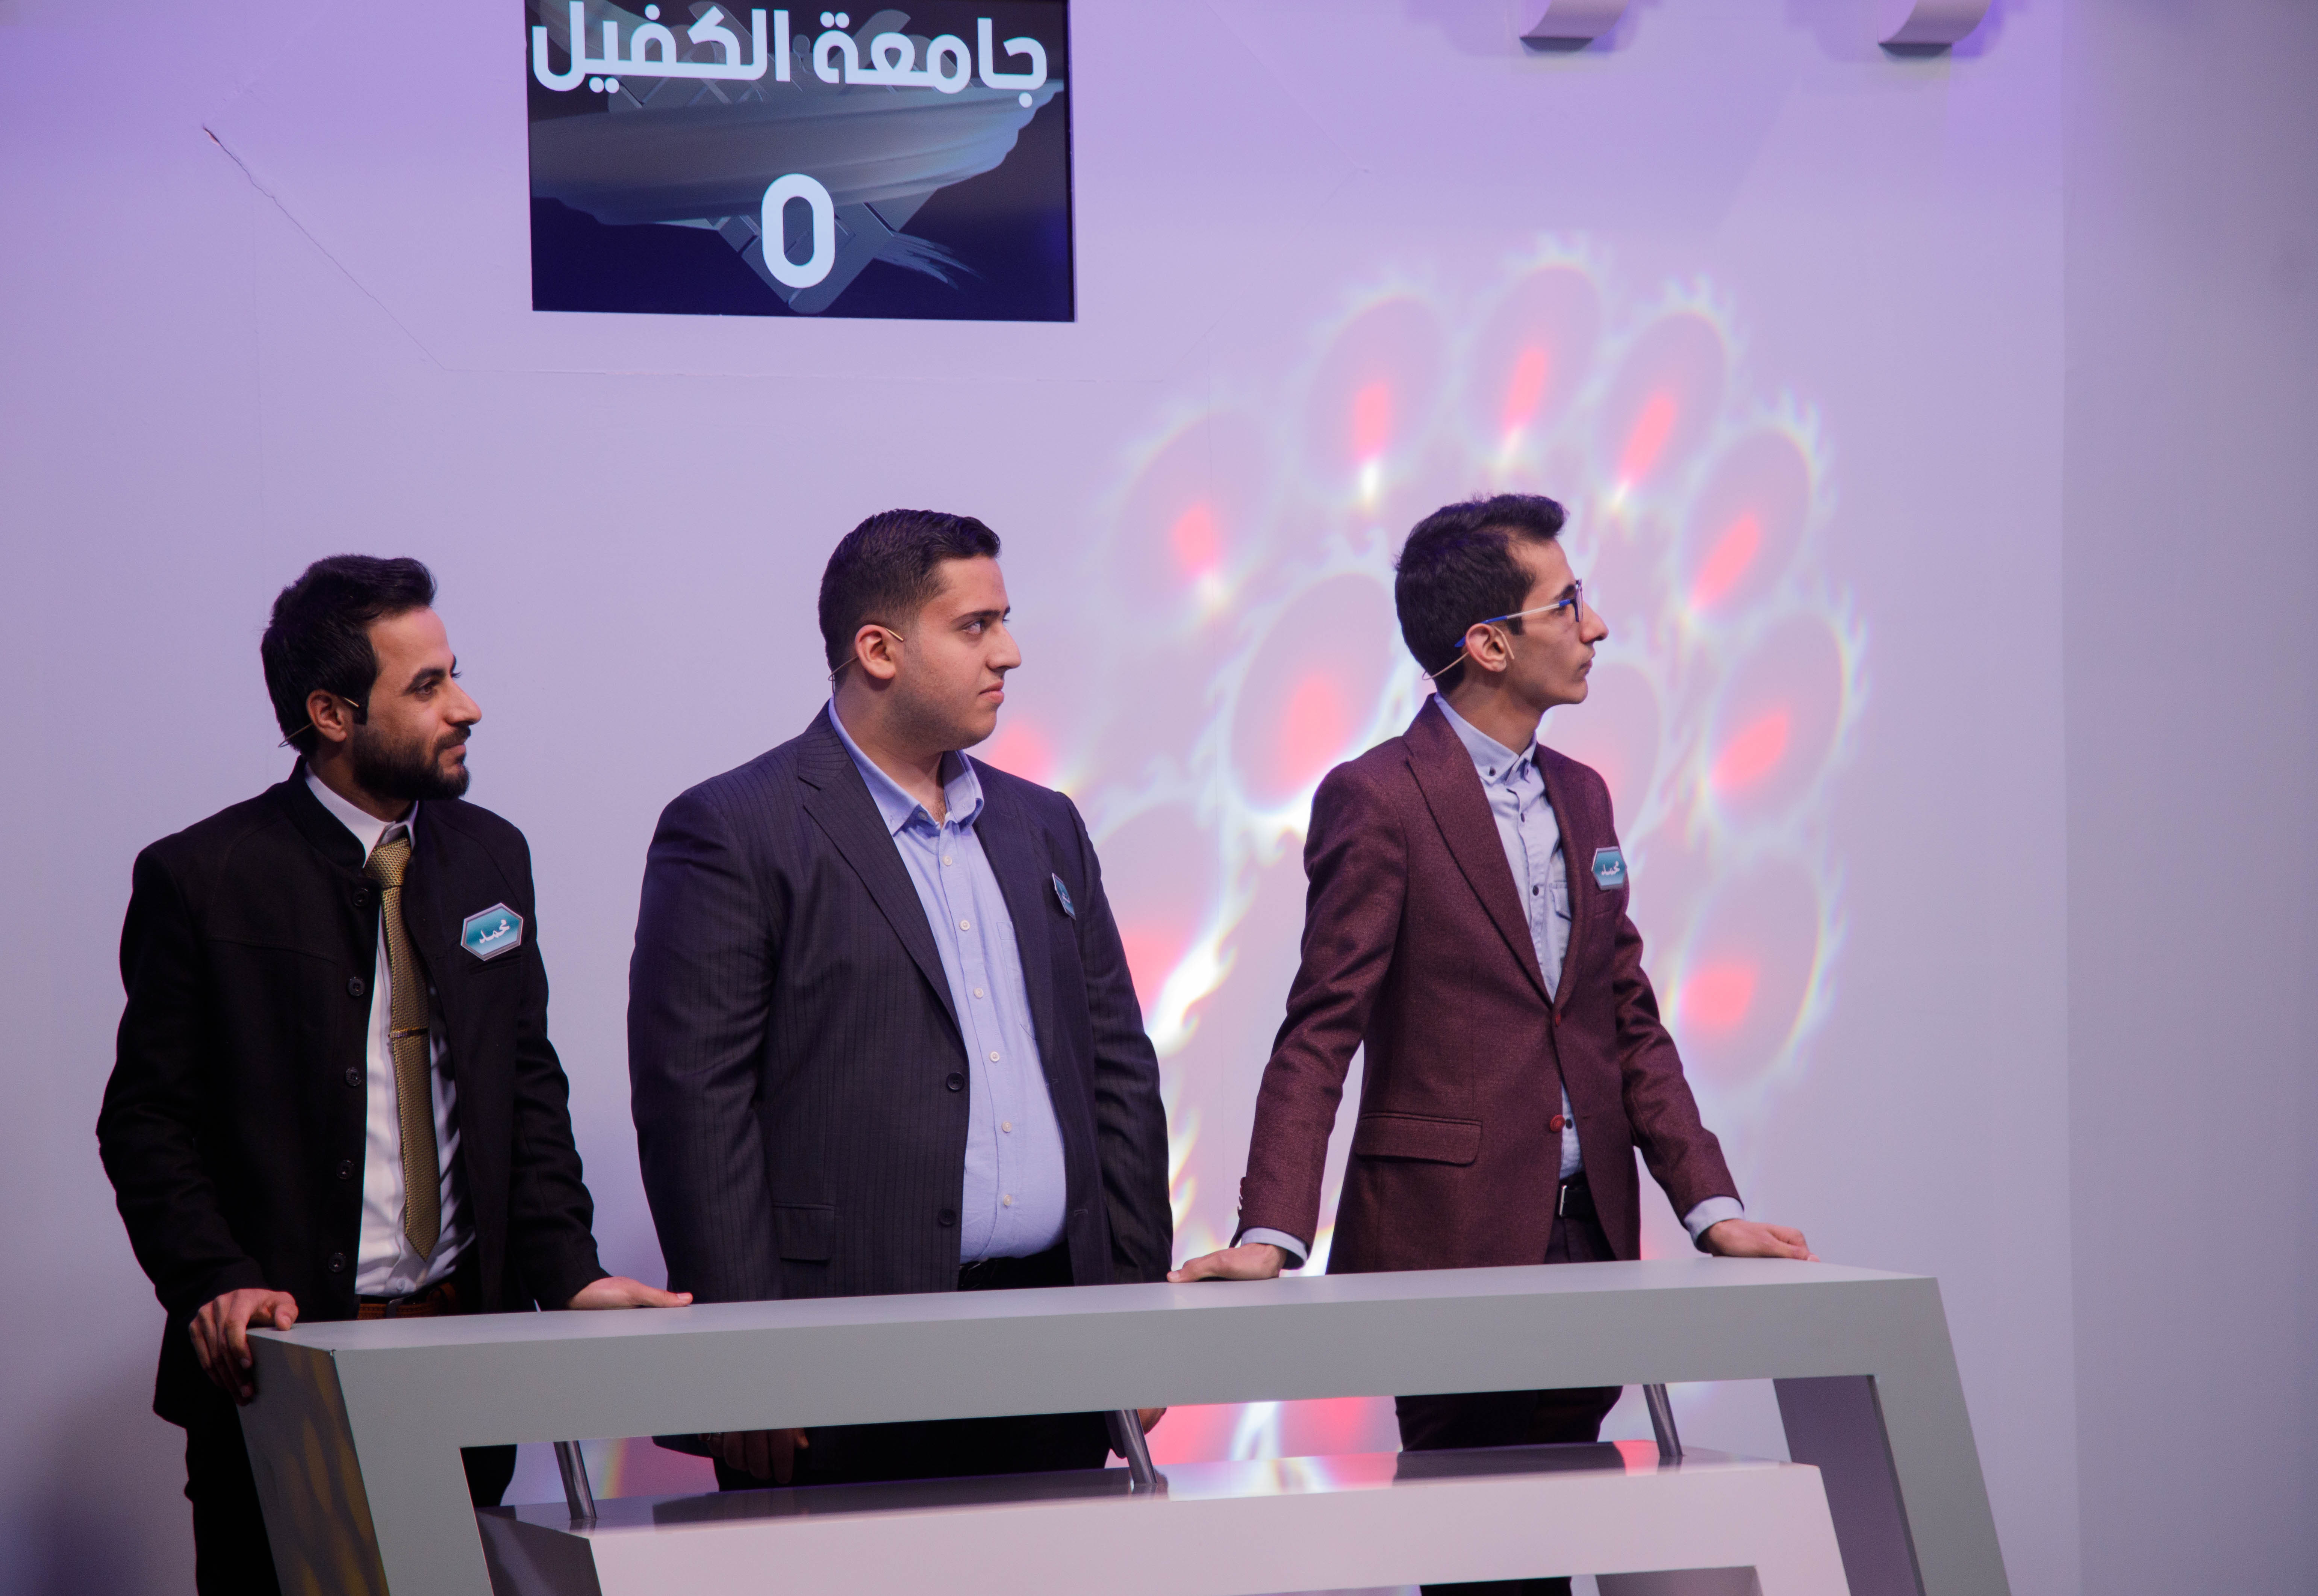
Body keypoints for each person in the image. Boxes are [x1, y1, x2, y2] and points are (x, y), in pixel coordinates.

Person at [1172, 494, 1815, 1596]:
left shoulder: (1584, 795)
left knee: (1572, 1529)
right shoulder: (1378, 796)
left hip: (1588, 1233)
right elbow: (1321, 1026)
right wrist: (1270, 1231)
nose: (1595, 626)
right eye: (1567, 604)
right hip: (1446, 1240)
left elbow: (1625, 1016)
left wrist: (1710, 1207)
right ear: (1488, 644)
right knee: (1478, 1555)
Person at [95, 556, 687, 1595]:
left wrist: (571, 1272)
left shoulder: (491, 856)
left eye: (455, 674)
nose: (466, 707)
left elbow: (523, 1086)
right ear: (331, 714)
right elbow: (146, 1124)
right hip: (282, 1374)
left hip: (465, 1359)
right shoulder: (203, 878)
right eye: (427, 687)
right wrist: (215, 1280)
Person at [628, 509, 1172, 1491]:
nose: (1008, 653)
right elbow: (695, 1107)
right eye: (975, 627)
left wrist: (1136, 1312)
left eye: (1004, 621)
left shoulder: (1044, 824)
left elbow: (1118, 1071)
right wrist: (743, 1358)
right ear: (878, 650)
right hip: (835, 1354)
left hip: (1058, 1340)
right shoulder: (734, 830)